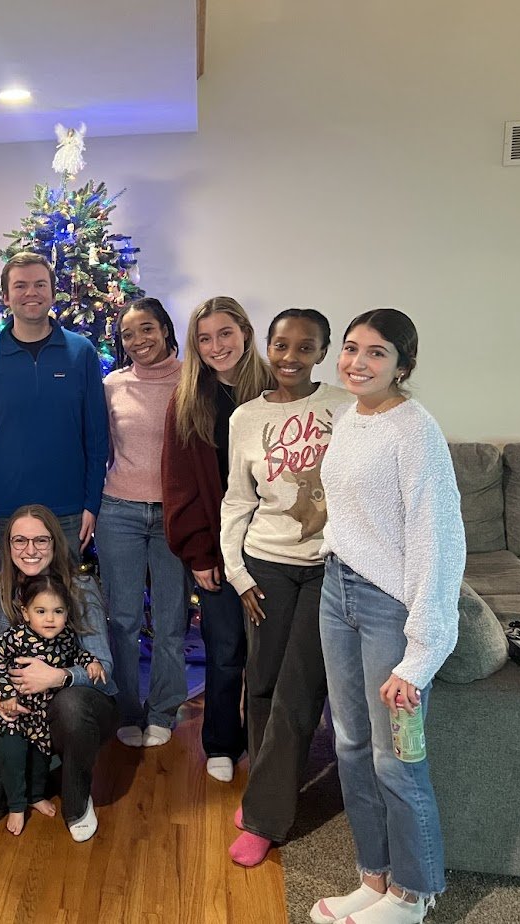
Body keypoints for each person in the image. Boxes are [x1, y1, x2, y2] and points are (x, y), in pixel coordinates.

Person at [309, 309, 464, 924]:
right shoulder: (351, 418)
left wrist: (420, 655)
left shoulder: (415, 431)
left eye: (376, 353)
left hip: (388, 609)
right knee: (349, 745)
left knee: (395, 757)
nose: (357, 362)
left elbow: (438, 542)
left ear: (403, 365)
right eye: (351, 348)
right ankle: (373, 877)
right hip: (336, 591)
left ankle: (414, 893)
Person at [219, 308, 353, 868]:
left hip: (326, 568)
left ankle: (264, 818)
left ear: (322, 351)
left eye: (305, 346)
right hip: (264, 566)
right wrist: (237, 572)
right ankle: (265, 788)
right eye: (281, 344)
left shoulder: (346, 407)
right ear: (267, 347)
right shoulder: (246, 417)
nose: (291, 357)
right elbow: (237, 499)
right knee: (263, 683)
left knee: (299, 690)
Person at [0, 505, 118, 843]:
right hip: (21, 716)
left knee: (70, 705)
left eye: (41, 540)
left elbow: (103, 665)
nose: (30, 550)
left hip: (79, 707)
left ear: (55, 543)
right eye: (20, 541)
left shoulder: (81, 588)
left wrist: (57, 676)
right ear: (9, 545)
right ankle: (47, 765)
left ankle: (76, 798)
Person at [162, 296, 274, 782]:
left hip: (276, 547)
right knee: (225, 650)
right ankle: (222, 742)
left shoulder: (277, 390)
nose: (216, 346)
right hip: (219, 550)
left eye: (225, 333)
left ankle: (267, 744)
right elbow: (180, 484)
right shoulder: (189, 400)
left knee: (269, 654)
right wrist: (199, 553)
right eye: (204, 339)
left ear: (245, 332)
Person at [0, 251, 108, 561]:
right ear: (6, 296)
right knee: (9, 594)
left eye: (40, 284)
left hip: (68, 513)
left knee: (61, 594)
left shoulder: (81, 353)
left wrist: (91, 504)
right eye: (20, 285)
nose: (31, 292)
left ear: (53, 293)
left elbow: (97, 438)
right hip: (4, 515)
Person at [96, 298, 191, 749]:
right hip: (120, 512)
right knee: (123, 620)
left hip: (174, 515)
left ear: (166, 329)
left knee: (171, 622)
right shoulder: (112, 385)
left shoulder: (192, 380)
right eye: (128, 334)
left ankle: (164, 710)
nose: (138, 341)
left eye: (147, 329)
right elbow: (99, 449)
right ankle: (127, 708)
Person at [0, 571, 105, 835]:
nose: (50, 619)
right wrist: (6, 693)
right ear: (26, 613)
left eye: (58, 611)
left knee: (40, 761)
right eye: (41, 611)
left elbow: (78, 653)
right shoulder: (15, 637)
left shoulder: (65, 638)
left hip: (42, 717)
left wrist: (91, 663)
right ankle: (17, 805)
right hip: (15, 716)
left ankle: (35, 795)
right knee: (13, 758)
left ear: (66, 613)